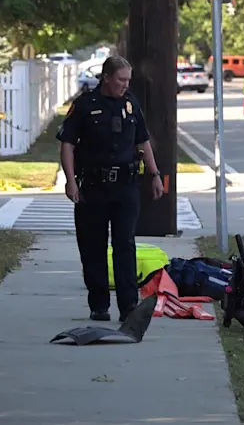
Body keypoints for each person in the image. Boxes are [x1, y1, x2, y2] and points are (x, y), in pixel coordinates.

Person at [56, 56, 165, 323]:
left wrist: (154, 174)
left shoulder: (130, 103)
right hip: (93, 187)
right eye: (120, 80)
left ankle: (128, 306)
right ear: (106, 77)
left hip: (126, 186)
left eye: (128, 80)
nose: (125, 85)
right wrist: (70, 180)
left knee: (125, 244)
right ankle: (99, 305)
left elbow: (143, 140)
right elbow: (67, 144)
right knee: (92, 247)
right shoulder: (84, 106)